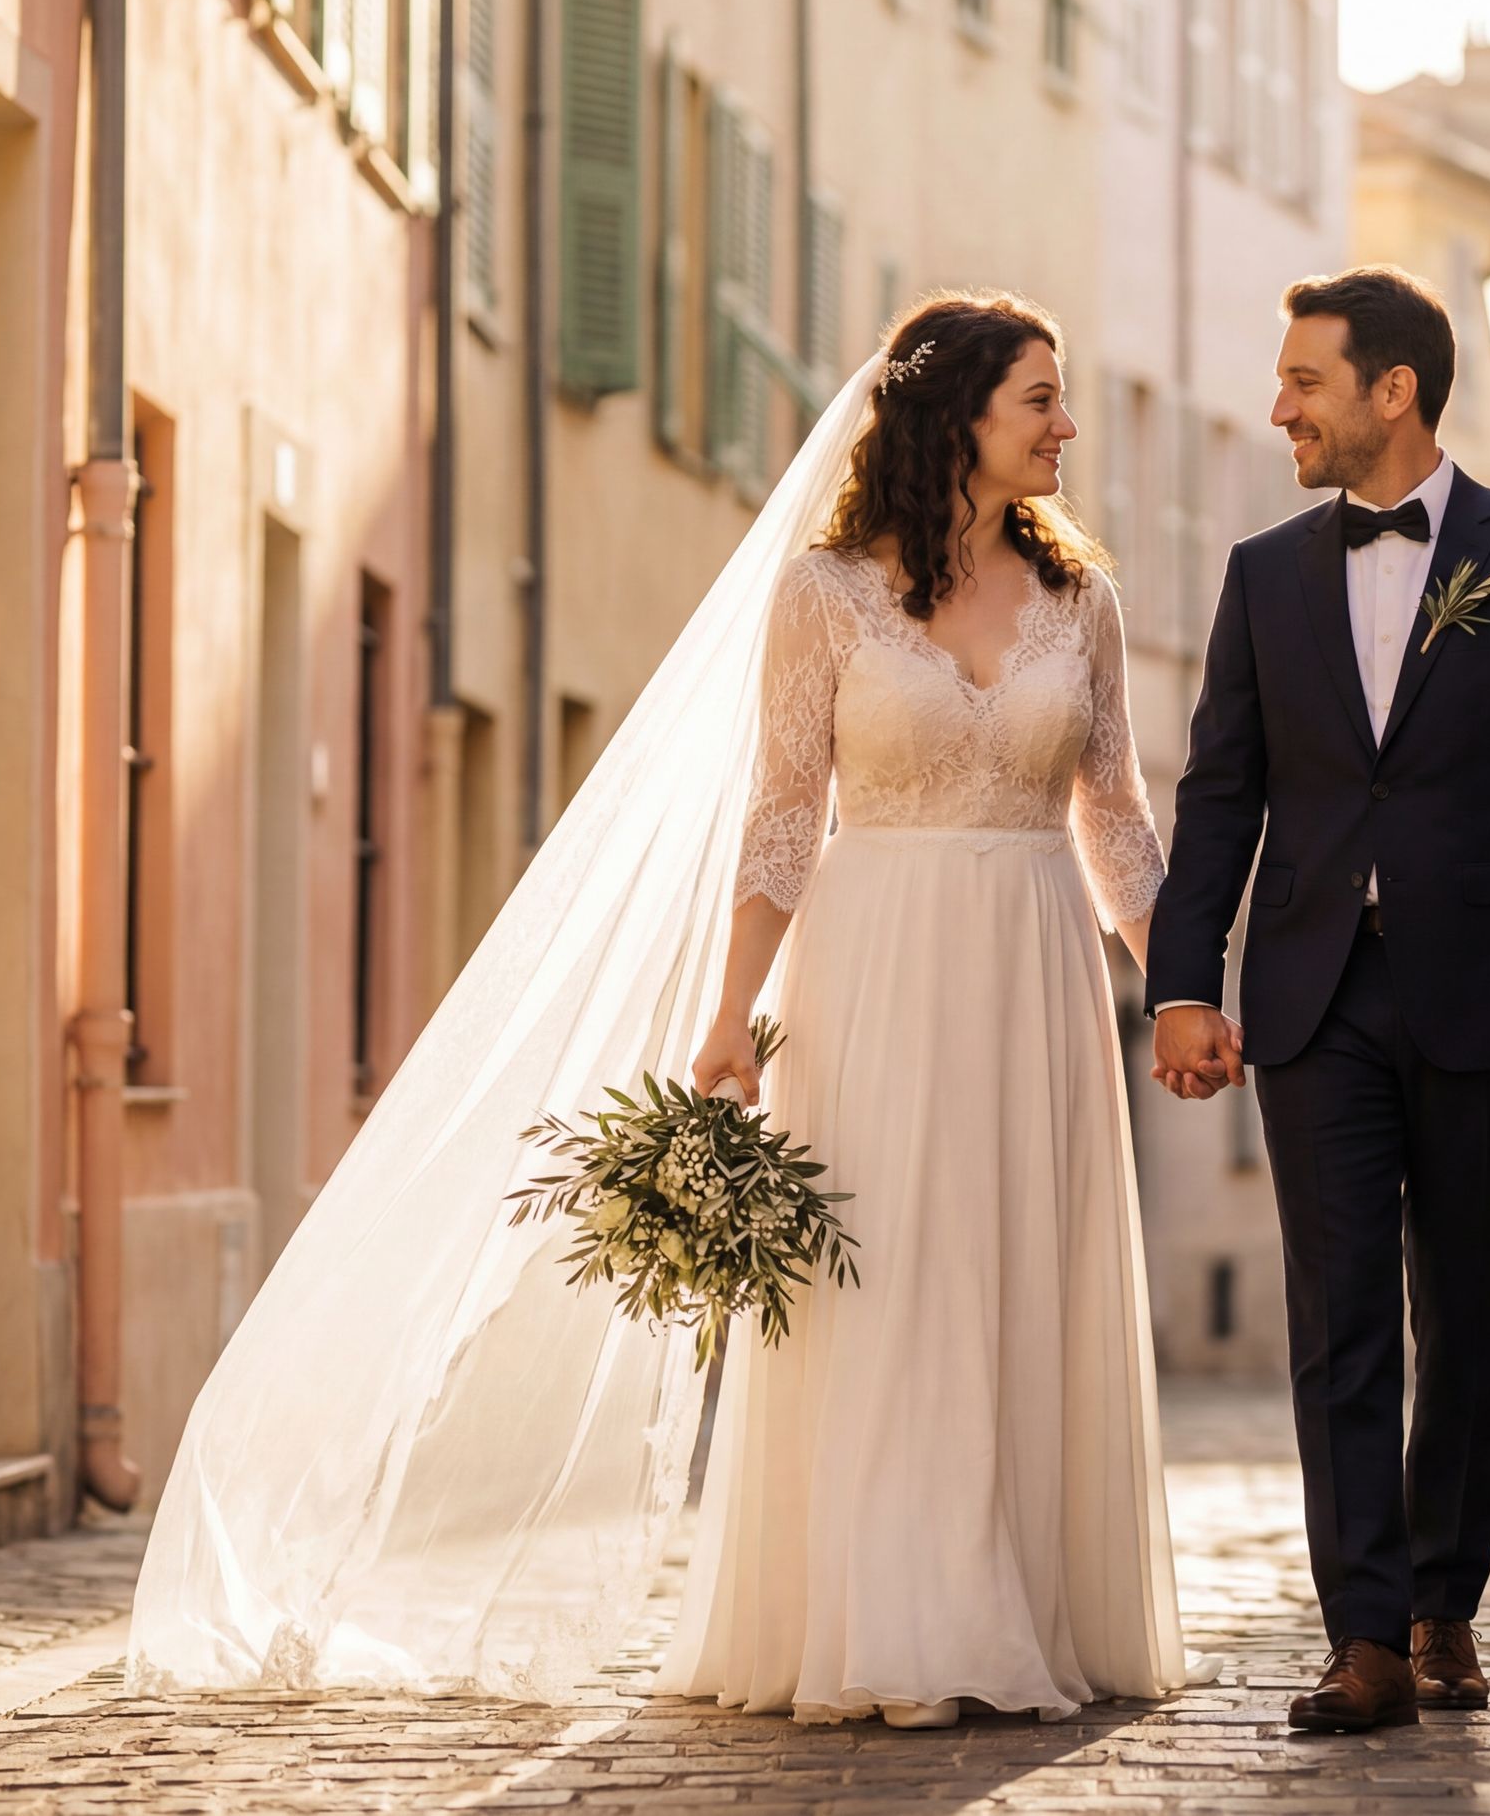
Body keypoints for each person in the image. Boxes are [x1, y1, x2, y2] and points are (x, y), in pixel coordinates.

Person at [126, 293, 1210, 1729]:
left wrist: (1178, 982)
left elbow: (1116, 815)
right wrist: (727, 1020)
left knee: (1015, 1270)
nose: (1067, 427)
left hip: (1035, 972)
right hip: (873, 966)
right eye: (1042, 400)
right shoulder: (824, 594)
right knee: (887, 1285)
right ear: (959, 417)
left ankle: (1024, 1600)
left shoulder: (1085, 598)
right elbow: (780, 819)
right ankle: (895, 1614)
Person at [1145, 264, 1490, 1732]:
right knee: (1339, 1307)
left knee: (1467, 1304)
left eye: (1303, 378)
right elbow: (1220, 793)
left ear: (1393, 390)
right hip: (1311, 999)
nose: (1278, 403)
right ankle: (1361, 1635)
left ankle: (1442, 1604)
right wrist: (1181, 980)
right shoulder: (1263, 575)